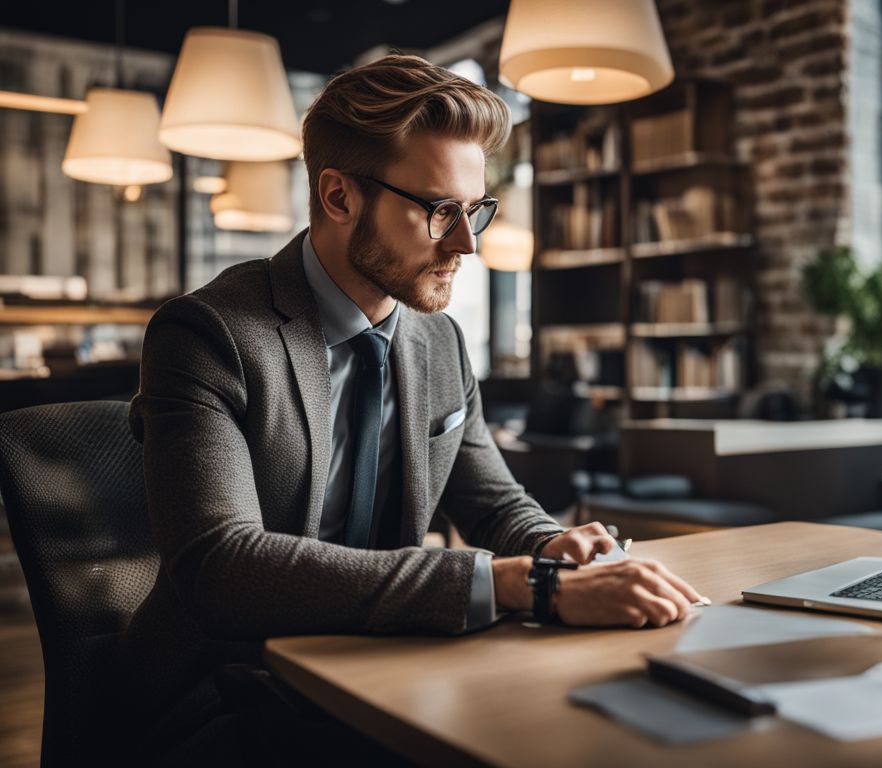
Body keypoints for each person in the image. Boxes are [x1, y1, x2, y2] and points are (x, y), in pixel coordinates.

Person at [122, 54, 704, 763]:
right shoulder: (207, 334)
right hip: (226, 690)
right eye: (439, 211)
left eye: (475, 210)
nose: (467, 243)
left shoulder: (438, 340)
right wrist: (524, 584)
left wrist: (558, 547)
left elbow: (494, 506)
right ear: (338, 197)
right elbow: (224, 567)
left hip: (384, 661)